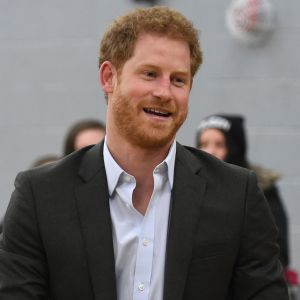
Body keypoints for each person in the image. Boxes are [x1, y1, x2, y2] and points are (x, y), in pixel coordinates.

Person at [0, 6, 288, 300]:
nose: (165, 92)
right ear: (109, 77)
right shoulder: (41, 196)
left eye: (178, 80)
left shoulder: (236, 194)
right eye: (150, 74)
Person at [196, 114, 289, 268]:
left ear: (235, 148)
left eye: (219, 144)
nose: (209, 151)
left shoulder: (262, 190)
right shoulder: (191, 189)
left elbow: (278, 253)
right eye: (203, 144)